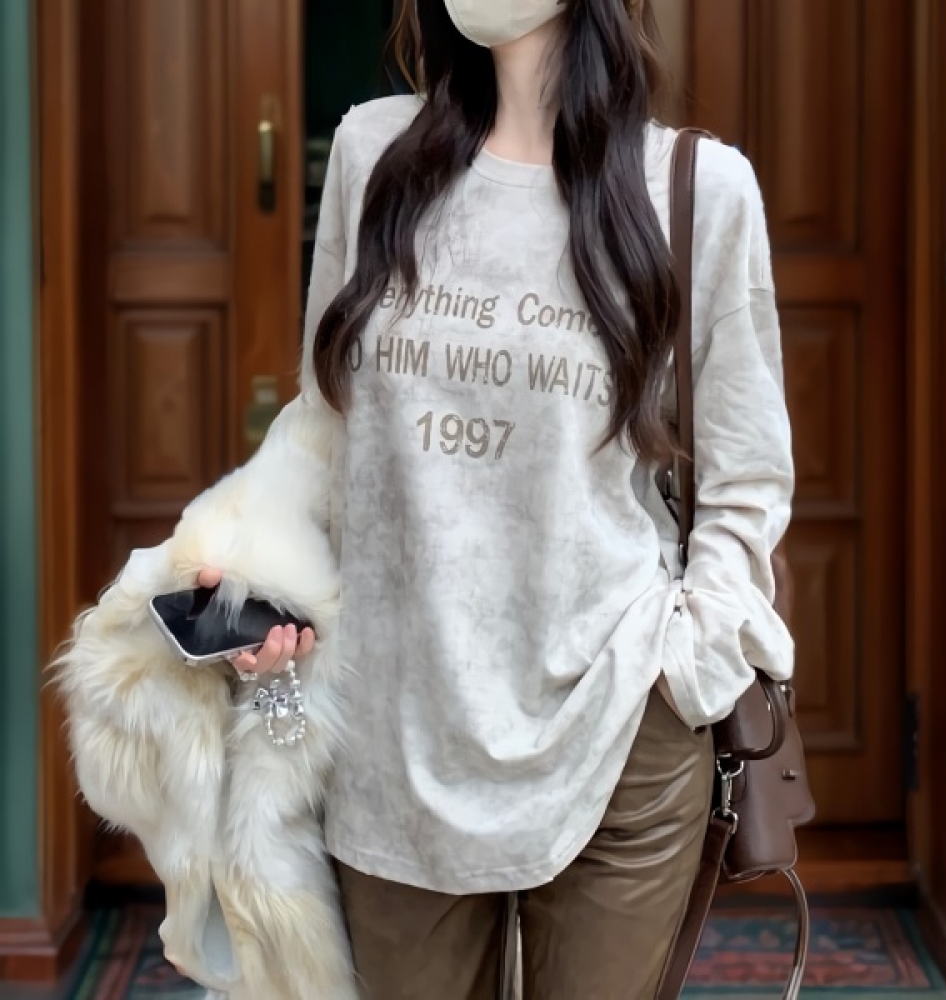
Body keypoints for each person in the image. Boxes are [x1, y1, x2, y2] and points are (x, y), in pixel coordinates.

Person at [155, 0, 793, 996]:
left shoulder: (698, 191)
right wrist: (261, 576)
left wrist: (687, 665)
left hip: (616, 723)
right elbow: (326, 431)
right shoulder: (374, 156)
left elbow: (747, 476)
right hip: (390, 737)